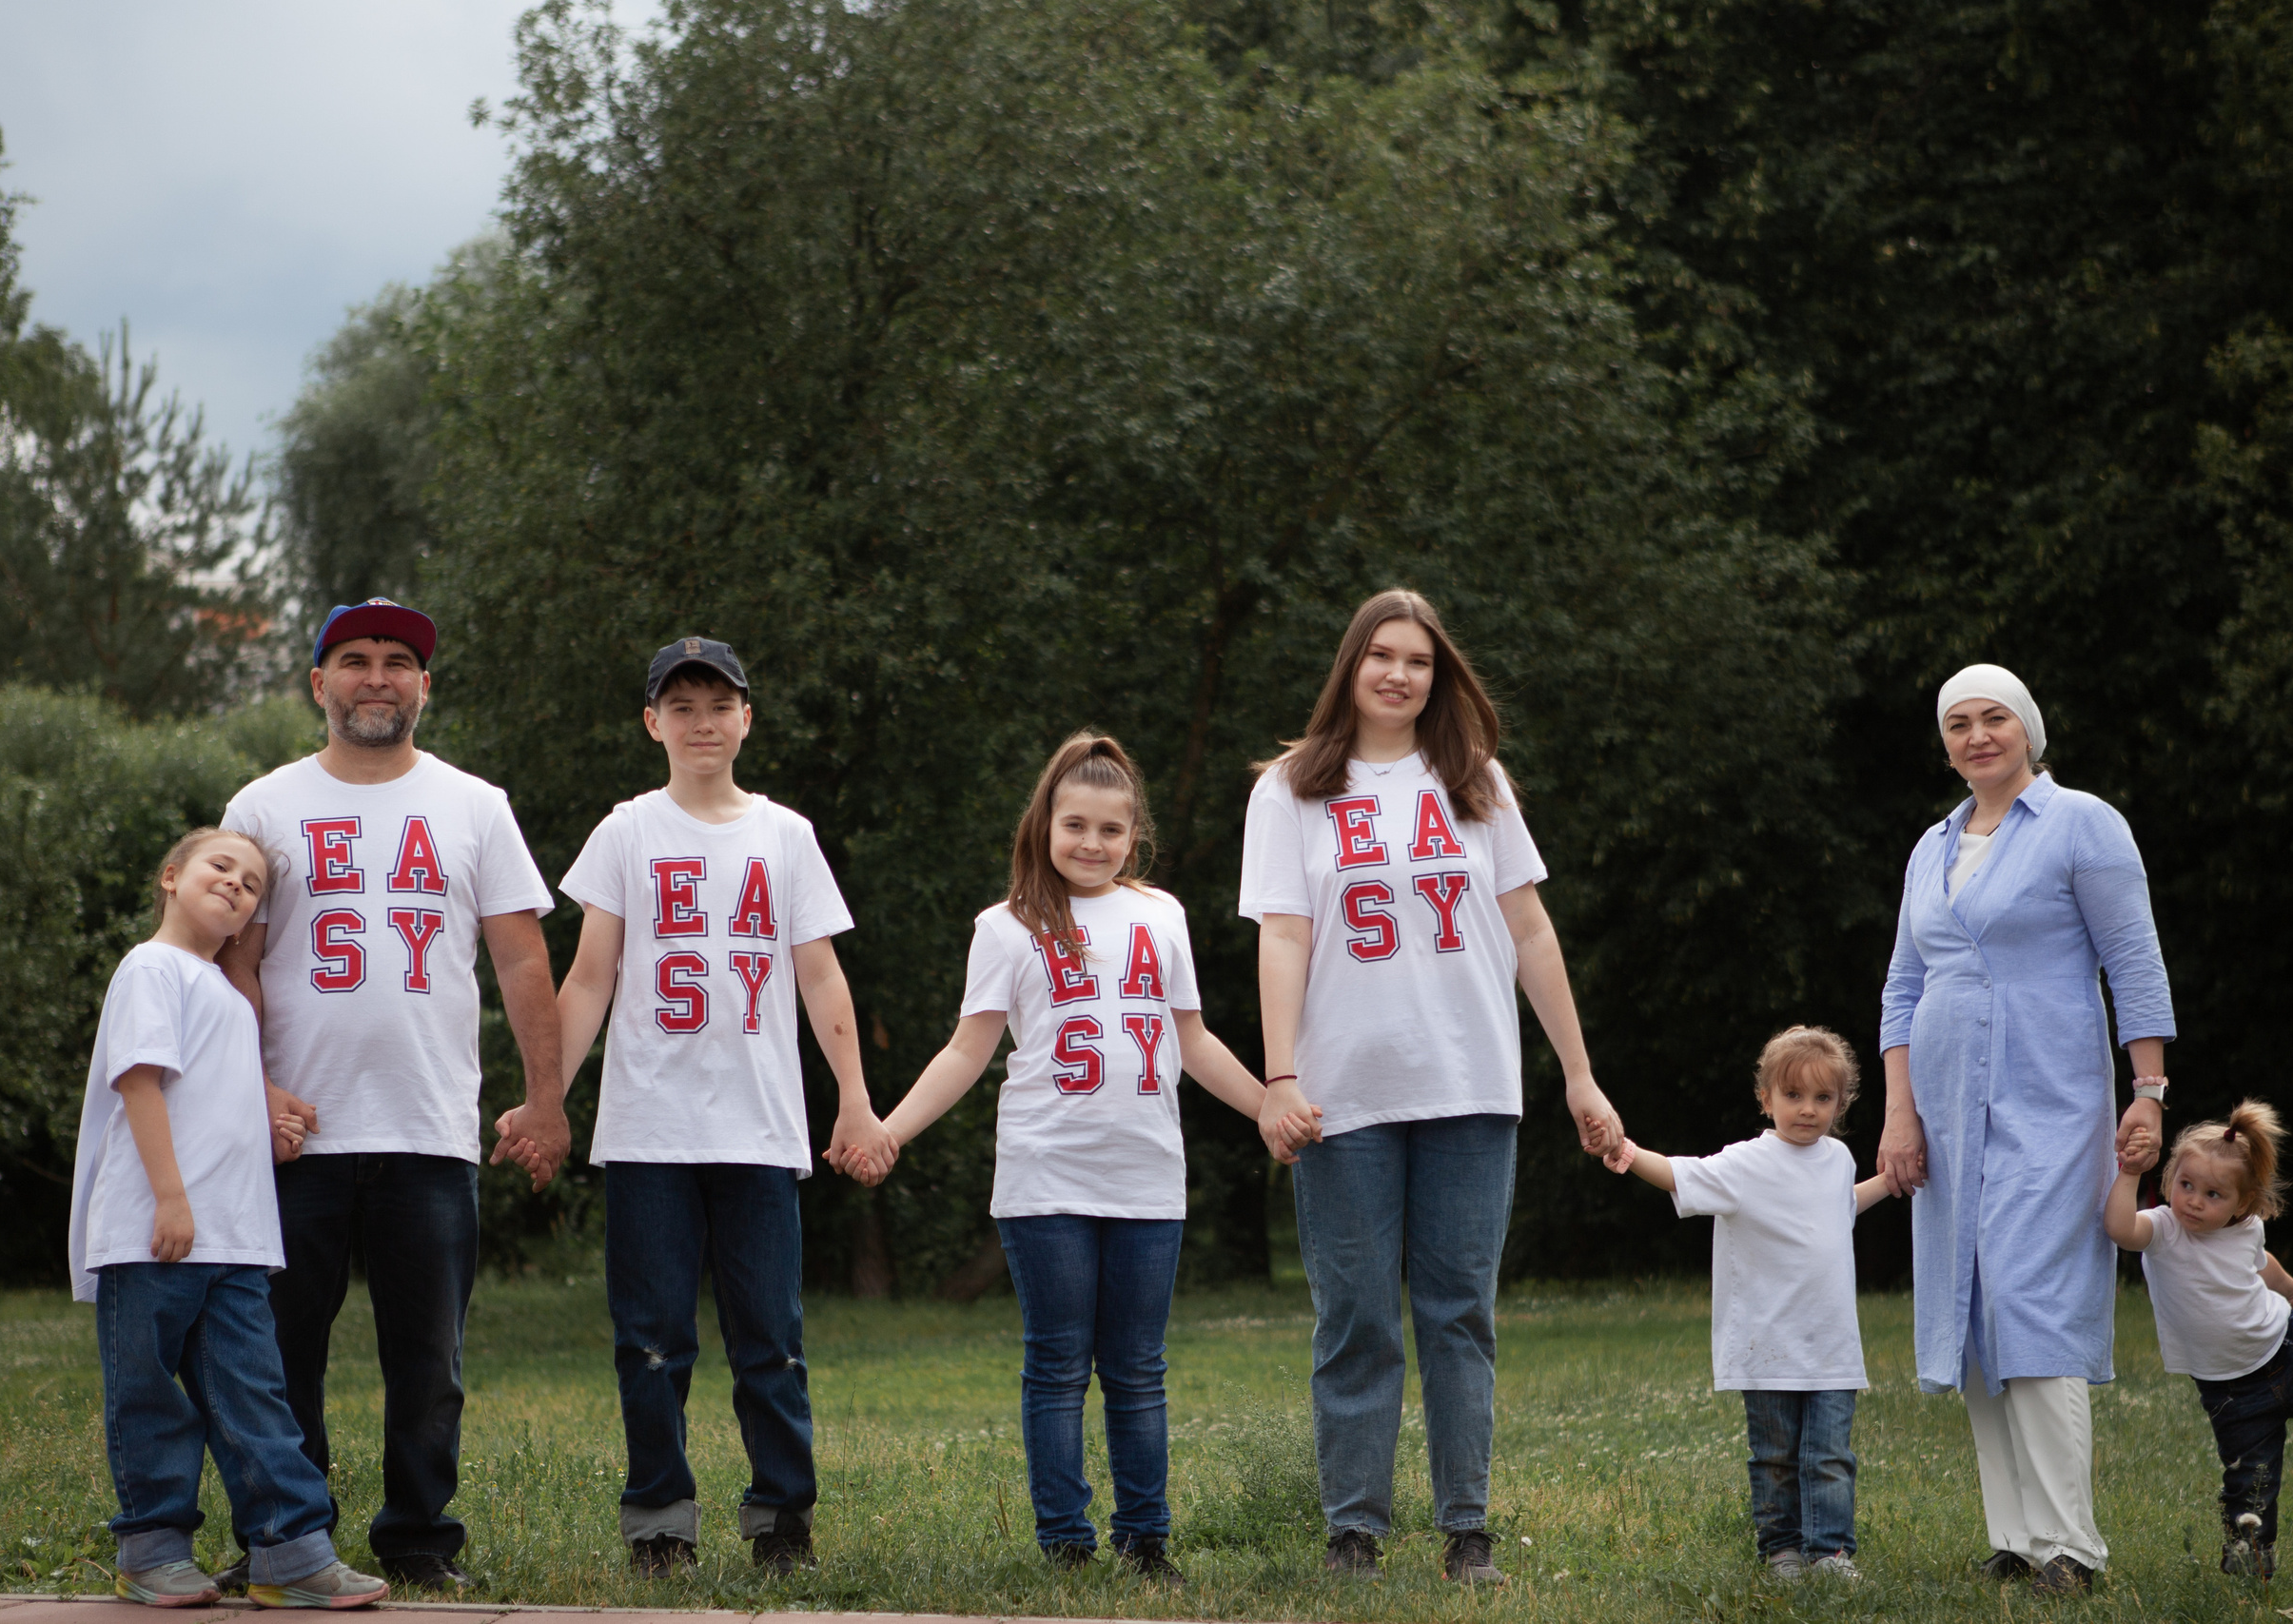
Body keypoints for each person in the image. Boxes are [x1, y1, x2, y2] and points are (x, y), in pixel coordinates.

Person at [839, 734, 1318, 1580]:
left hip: (1146, 1178)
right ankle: (1066, 1541)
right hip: (1045, 1178)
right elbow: (965, 1051)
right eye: (1075, 826)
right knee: (1058, 1362)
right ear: (1044, 826)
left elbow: (1192, 1038)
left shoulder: (1160, 914)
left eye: (1111, 829)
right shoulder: (1006, 925)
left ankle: (1146, 1541)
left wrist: (1269, 1101)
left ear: (1135, 836)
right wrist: (888, 1127)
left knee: (1138, 1368)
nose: (1092, 844)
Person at [1236, 588, 1625, 1583]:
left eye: (1418, 660)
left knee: (1459, 1312)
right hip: (1342, 1096)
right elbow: (1282, 938)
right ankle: (1352, 1533)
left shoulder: (1473, 780)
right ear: (1350, 668)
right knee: (1355, 1316)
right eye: (1381, 656)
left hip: (1471, 1085)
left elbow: (1530, 932)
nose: (1399, 674)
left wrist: (1579, 1076)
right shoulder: (1289, 790)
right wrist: (1278, 1077)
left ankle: (1467, 1532)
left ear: (1437, 675)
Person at [216, 599, 567, 1592]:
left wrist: (545, 1101)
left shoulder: (473, 804)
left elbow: (522, 962)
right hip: (292, 1132)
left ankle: (418, 1539)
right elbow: (232, 964)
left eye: (399, 662)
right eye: (356, 660)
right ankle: (285, 1538)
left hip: (427, 1126)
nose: (378, 676)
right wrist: (259, 1089)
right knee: (281, 1357)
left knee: (428, 1364)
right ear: (317, 683)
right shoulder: (264, 807)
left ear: (425, 687)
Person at [552, 637, 892, 1577]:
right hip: (649, 1128)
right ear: (652, 722)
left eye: (718, 705)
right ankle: (659, 1521)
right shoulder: (626, 832)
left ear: (747, 717)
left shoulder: (783, 835)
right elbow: (587, 978)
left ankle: (781, 1521)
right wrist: (547, 1098)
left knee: (770, 1344)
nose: (701, 724)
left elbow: (820, 975)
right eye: (682, 706)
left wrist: (855, 1103)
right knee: (653, 1342)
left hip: (759, 1128)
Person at [1876, 662, 2176, 1597]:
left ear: (2028, 729)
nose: (1976, 736)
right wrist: (1898, 1112)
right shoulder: (1929, 847)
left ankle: (2070, 1550)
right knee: (1970, 1310)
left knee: (2029, 1300)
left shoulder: (2083, 822)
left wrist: (2148, 1089)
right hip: (1943, 1108)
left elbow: (2133, 958)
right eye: (1957, 723)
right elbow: (1901, 987)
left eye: (1992, 717)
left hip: (2051, 1100)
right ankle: (2012, 1535)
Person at [69, 828, 389, 1609]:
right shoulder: (153, 967)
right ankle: (150, 1549)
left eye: (251, 885)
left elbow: (212, 1104)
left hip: (238, 1237)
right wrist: (172, 1198)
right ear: (171, 875)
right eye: (222, 866)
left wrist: (267, 1133)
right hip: (156, 1230)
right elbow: (140, 1084)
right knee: (148, 1396)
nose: (237, 885)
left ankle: (291, 1552)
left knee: (256, 1396)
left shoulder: (225, 993)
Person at [1601, 1027, 1890, 1583]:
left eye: (1823, 1098)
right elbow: (1681, 1173)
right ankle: (1781, 1549)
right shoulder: (1745, 1164)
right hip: (1768, 1345)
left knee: (1830, 1457)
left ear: (1841, 1103)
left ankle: (1829, 1554)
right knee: (1777, 1456)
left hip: (1831, 1344)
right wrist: (1627, 1152)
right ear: (1767, 1099)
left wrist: (1891, 1180)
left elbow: (1839, 1210)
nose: (1807, 1110)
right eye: (1794, 1096)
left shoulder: (1839, 1159)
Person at [2104, 1100, 2293, 1580]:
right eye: (2186, 1185)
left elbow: (2261, 1264)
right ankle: (2249, 1558)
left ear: (2242, 1204)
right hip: (2228, 1390)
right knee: (2249, 1481)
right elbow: (2120, 1228)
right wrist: (2128, 1172)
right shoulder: (2164, 1229)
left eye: (2213, 1194)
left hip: (2286, 1349)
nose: (2193, 1200)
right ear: (2170, 1179)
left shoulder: (2247, 1228)